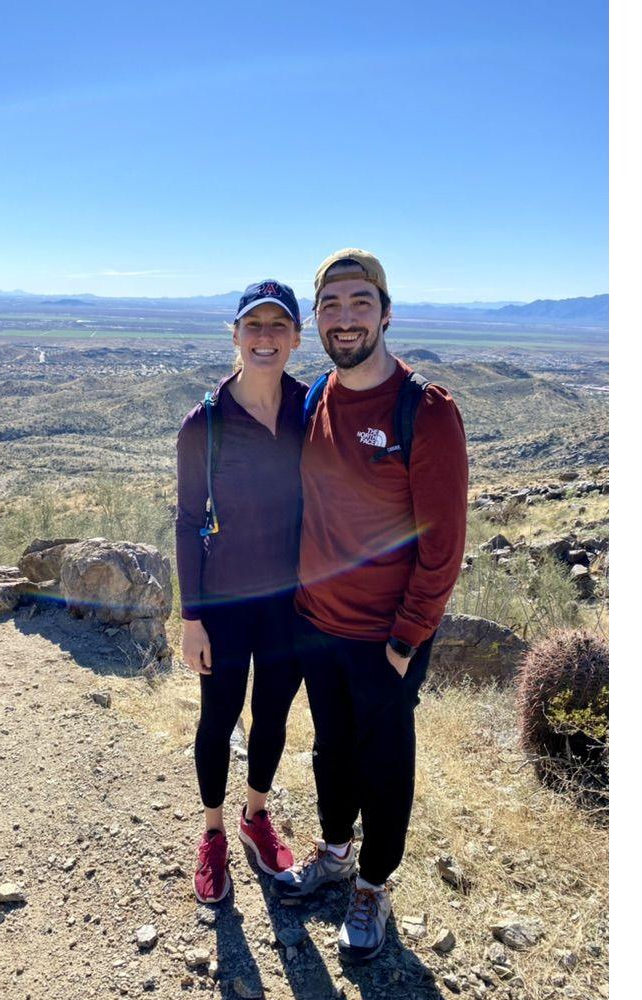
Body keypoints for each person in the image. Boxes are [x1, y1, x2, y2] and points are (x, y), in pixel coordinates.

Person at [273, 249, 469, 961]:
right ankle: (333, 850)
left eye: (360, 303)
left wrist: (405, 640)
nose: (345, 317)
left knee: (384, 763)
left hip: (386, 637)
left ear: (386, 313)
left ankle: (373, 884)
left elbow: (442, 544)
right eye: (331, 305)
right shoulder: (318, 397)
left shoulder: (426, 411)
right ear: (316, 320)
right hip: (317, 626)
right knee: (331, 750)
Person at [175, 280, 309, 904]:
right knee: (218, 718)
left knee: (274, 716)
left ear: (295, 339)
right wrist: (191, 618)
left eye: (277, 326)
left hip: (290, 604)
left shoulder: (311, 411)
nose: (264, 337)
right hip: (224, 607)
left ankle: (256, 815)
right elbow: (185, 520)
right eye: (252, 326)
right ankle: (213, 832)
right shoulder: (204, 423)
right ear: (234, 335)